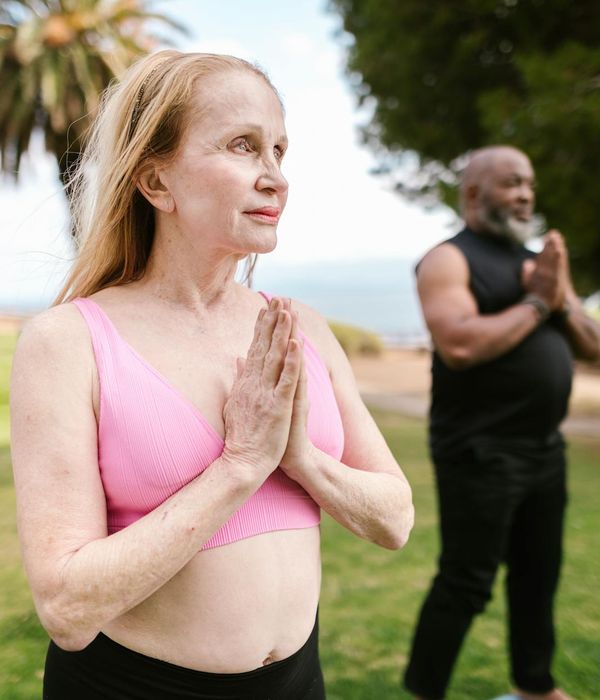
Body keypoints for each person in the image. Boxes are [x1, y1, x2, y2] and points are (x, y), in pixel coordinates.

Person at [10, 50, 415, 700]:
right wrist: (241, 464)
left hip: (299, 683)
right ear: (156, 183)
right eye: (243, 146)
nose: (275, 178)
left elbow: (395, 520)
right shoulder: (67, 343)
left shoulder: (301, 327)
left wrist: (303, 459)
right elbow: (66, 608)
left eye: (280, 151)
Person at [403, 145, 600, 700]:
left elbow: (594, 346)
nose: (524, 195)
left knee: (539, 576)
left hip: (545, 450)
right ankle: (425, 692)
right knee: (466, 583)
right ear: (473, 194)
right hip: (479, 451)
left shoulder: (542, 263)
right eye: (511, 183)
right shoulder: (448, 259)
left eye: (529, 184)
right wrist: (538, 305)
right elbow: (460, 343)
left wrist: (558, 301)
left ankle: (535, 688)